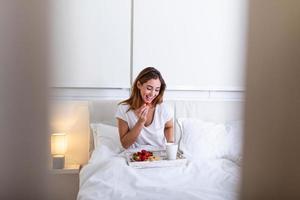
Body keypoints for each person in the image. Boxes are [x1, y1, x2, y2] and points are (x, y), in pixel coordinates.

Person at [115, 67, 174, 149]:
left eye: (157, 90)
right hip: (135, 156)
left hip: (158, 156)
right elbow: (125, 144)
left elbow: (169, 126)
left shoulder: (164, 108)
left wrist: (170, 145)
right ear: (139, 85)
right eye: (149, 88)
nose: (152, 94)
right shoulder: (123, 109)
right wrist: (140, 122)